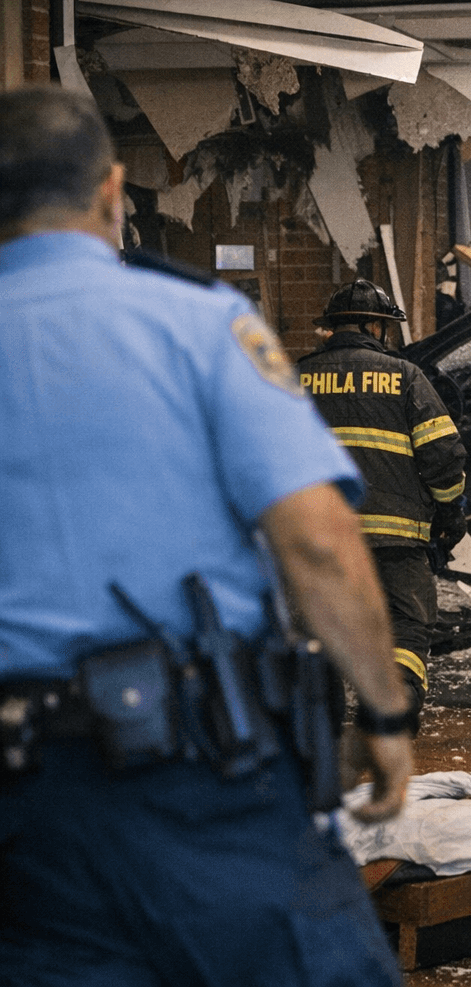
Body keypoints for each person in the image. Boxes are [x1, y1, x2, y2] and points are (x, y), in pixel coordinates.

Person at [0, 86, 412, 985]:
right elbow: (317, 543)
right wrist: (383, 712)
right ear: (112, 192)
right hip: (195, 773)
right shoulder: (195, 323)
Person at [298, 281, 468, 734]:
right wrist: (450, 513)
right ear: (376, 326)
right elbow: (444, 454)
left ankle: (321, 718)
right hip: (397, 540)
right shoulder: (406, 377)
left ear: (332, 328)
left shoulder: (296, 378)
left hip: (320, 538)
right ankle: (394, 707)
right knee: (407, 624)